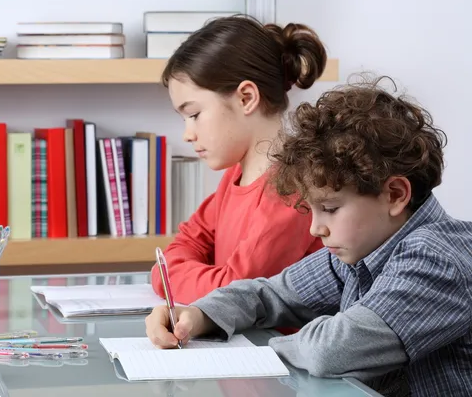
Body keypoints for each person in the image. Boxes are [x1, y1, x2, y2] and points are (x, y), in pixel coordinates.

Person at [145, 76, 472, 397]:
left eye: (330, 208)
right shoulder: (361, 251)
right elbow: (270, 294)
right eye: (311, 210)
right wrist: (199, 316)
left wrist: (263, 349)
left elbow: (333, 351)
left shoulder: (437, 260)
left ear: (396, 194)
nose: (316, 228)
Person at [151, 15, 325, 305]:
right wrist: (172, 272)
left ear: (246, 98)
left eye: (193, 114)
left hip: (272, 349)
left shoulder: (292, 193)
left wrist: (171, 276)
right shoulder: (236, 175)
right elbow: (186, 244)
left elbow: (232, 293)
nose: (187, 134)